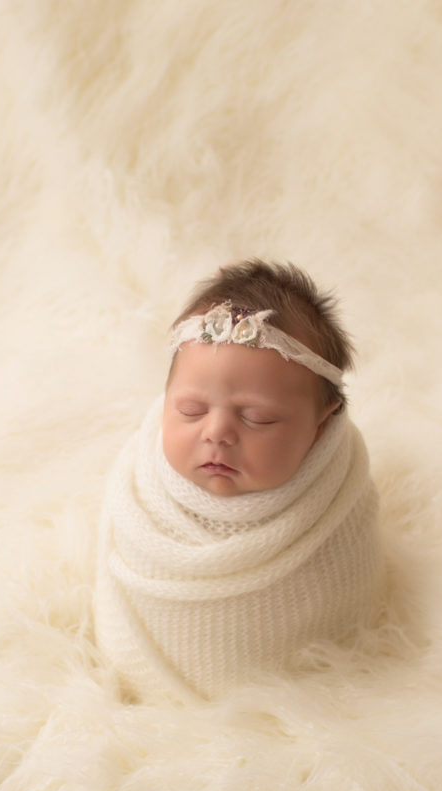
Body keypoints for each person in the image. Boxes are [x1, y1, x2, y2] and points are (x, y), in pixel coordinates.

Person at [95, 260, 382, 703]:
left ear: (321, 427)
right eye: (190, 409)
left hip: (291, 705)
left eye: (257, 417)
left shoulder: (337, 500)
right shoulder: (140, 489)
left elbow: (347, 596)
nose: (216, 432)